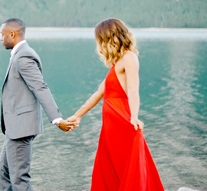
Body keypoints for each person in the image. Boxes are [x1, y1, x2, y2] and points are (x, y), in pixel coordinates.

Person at [66, 18, 164, 191]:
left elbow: (134, 90)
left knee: (127, 170)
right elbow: (98, 94)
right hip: (109, 129)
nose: (100, 46)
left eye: (100, 41)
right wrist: (77, 115)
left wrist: (134, 116)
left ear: (109, 38)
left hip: (122, 124)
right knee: (110, 172)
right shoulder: (116, 64)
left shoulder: (129, 58)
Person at [0, 18, 74, 191]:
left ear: (12, 34)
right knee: (3, 175)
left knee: (19, 180)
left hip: (20, 128)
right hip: (14, 127)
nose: (0, 38)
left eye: (2, 35)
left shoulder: (23, 56)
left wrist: (57, 119)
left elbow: (40, 87)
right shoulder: (19, 54)